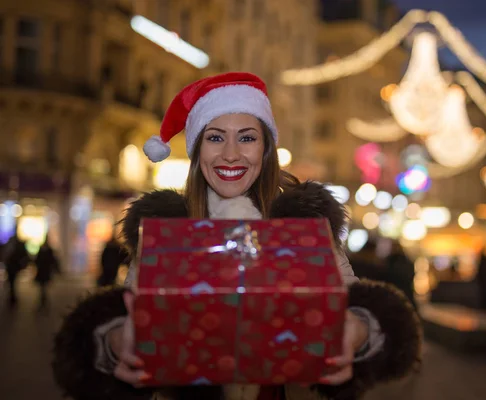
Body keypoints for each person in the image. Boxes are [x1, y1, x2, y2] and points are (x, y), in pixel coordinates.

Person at [52, 72, 421, 400]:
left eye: (246, 138)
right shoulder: (168, 230)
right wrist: (116, 342)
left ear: (265, 148)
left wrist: (356, 332)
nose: (230, 155)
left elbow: (357, 305)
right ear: (198, 151)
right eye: (215, 138)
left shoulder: (304, 227)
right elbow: (124, 316)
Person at [3, 235, 30, 308]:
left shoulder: (14, 246)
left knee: (12, 282)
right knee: (12, 282)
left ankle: (12, 297)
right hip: (11, 267)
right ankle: (12, 297)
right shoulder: (12, 246)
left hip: (13, 267)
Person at [34, 238, 60, 311]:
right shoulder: (48, 251)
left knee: (43, 288)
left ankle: (43, 301)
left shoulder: (46, 251)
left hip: (44, 272)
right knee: (43, 287)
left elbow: (52, 261)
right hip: (44, 272)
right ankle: (43, 301)